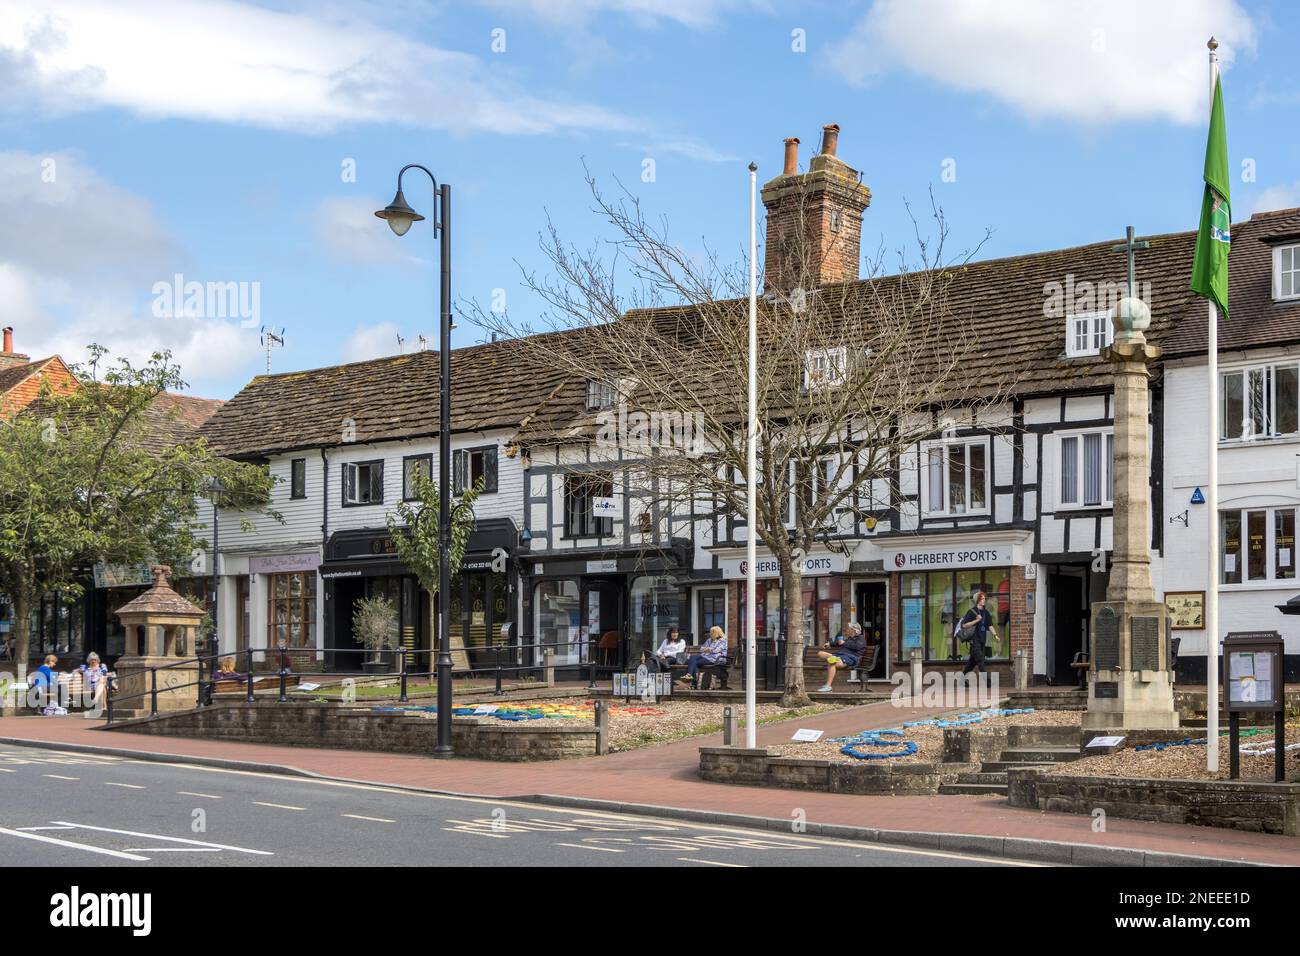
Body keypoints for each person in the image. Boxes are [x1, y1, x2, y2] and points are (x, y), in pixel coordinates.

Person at [815, 621, 866, 693]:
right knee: (820, 653)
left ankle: (828, 686)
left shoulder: (861, 638)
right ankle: (834, 658)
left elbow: (857, 646)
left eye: (848, 628)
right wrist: (830, 644)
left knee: (832, 662)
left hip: (851, 657)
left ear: (853, 630)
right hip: (841, 656)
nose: (846, 630)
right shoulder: (849, 639)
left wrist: (844, 643)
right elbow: (839, 643)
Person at [957, 591, 999, 677]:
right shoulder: (971, 612)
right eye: (982, 599)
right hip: (974, 640)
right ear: (977, 600)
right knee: (980, 661)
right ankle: (988, 682)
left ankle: (962, 679)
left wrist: (995, 635)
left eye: (984, 599)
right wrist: (976, 620)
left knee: (971, 663)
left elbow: (990, 625)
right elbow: (964, 625)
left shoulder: (986, 612)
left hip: (982, 640)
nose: (984, 600)